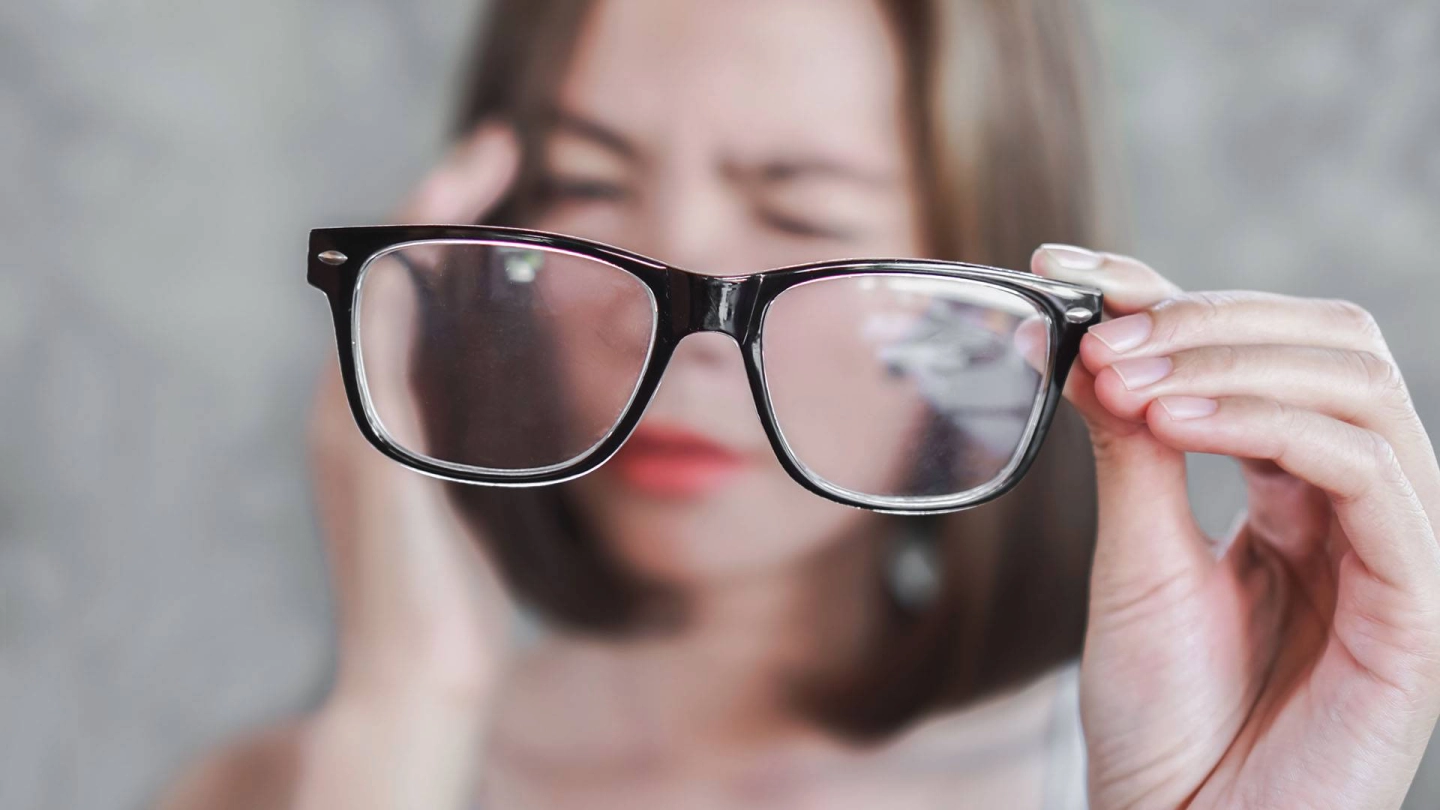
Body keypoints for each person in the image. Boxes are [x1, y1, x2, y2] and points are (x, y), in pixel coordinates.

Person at [159, 1, 1440, 808]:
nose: (662, 320)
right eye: (588, 185)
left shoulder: (1173, 767)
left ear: (986, 285)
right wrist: (408, 703)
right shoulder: (288, 787)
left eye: (800, 210)